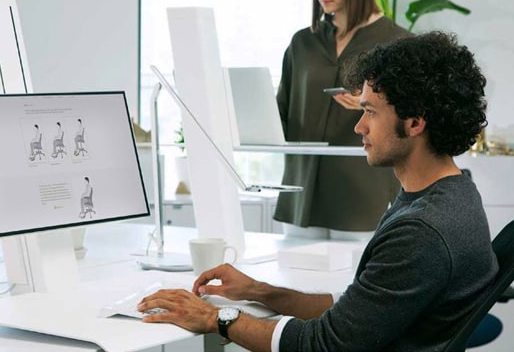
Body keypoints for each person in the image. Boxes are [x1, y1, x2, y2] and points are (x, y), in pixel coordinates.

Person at [137, 32, 498, 351]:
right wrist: (261, 292)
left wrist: (215, 317)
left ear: (415, 122)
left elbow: (324, 343)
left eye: (370, 112)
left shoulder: (422, 232)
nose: (359, 127)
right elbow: (356, 314)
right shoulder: (453, 195)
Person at [274, 0, 410, 239]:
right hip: (300, 196)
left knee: (353, 279)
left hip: (361, 196)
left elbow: (411, 120)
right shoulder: (302, 43)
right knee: (290, 279)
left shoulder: (398, 43)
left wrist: (369, 105)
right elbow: (282, 112)